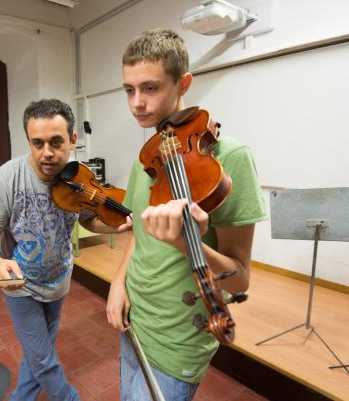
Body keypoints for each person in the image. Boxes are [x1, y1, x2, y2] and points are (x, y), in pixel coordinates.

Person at [106, 28, 267, 401]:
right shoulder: (146, 158)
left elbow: (238, 280)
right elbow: (139, 235)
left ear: (184, 83)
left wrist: (186, 243)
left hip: (178, 336)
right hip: (135, 317)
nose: (136, 103)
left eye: (150, 88)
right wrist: (118, 283)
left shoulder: (229, 158)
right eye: (129, 90)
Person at [0, 98, 129, 401]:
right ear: (29, 142)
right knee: (44, 360)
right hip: (21, 285)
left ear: (73, 139)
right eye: (37, 143)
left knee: (37, 355)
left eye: (56, 142)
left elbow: (89, 220)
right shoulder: (6, 179)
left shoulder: (79, 177)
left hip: (59, 281)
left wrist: (118, 226)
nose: (47, 153)